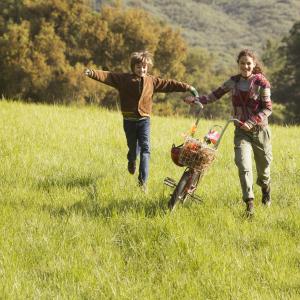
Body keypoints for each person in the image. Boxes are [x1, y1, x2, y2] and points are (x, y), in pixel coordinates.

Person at [84, 50, 198, 192]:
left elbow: (169, 84)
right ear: (133, 67)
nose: (142, 69)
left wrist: (188, 87)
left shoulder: (152, 81)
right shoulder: (124, 79)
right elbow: (107, 76)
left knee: (146, 149)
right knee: (133, 149)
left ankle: (142, 182)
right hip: (129, 121)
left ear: (147, 67)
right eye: (138, 67)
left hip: (144, 120)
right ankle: (131, 160)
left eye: (144, 67)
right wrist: (92, 73)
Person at [185, 49, 272, 215]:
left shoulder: (262, 83)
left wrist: (252, 121)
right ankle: (249, 203)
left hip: (260, 131)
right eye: (242, 63)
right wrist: (196, 100)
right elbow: (214, 95)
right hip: (241, 131)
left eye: (248, 63)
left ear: (254, 65)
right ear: (238, 64)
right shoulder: (233, 82)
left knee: (264, 169)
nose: (245, 66)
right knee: (243, 164)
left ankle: (266, 188)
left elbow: (268, 108)